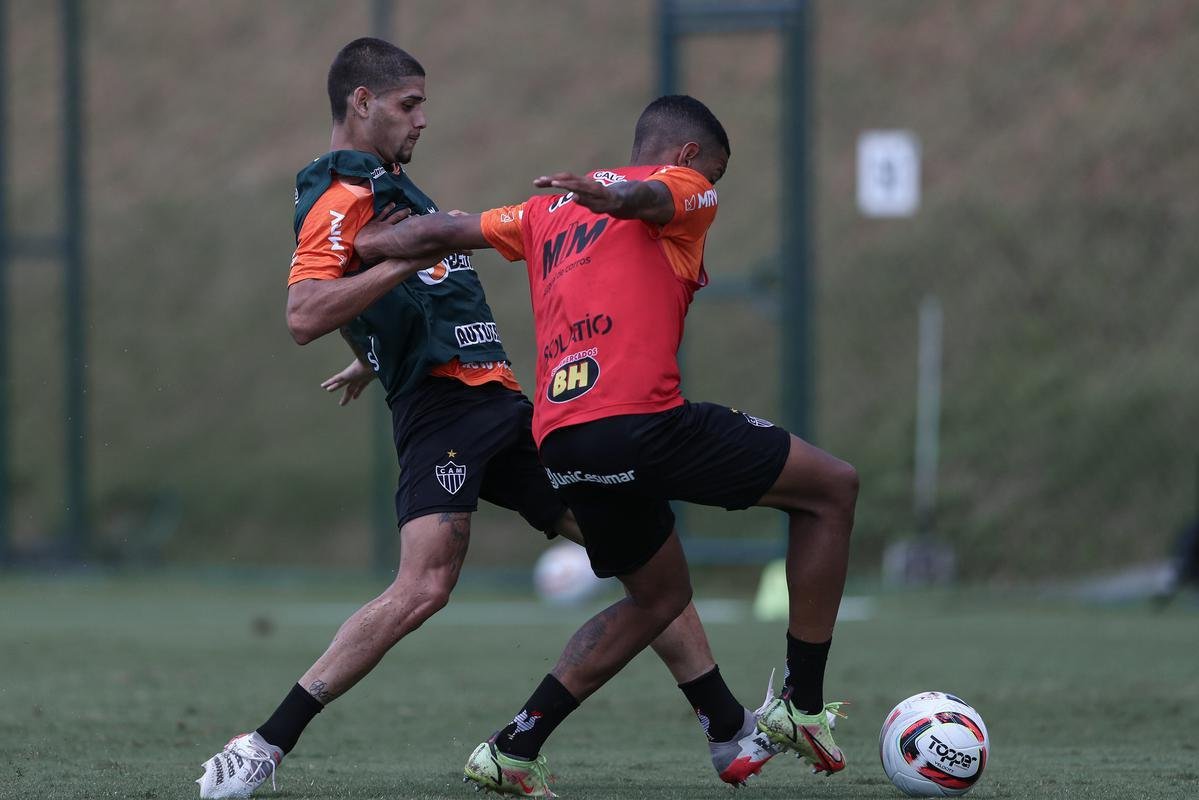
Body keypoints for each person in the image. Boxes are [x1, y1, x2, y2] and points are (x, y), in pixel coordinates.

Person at [195, 40, 779, 800]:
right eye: (409, 104)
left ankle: (728, 730)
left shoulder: (390, 186)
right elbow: (305, 311)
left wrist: (372, 354)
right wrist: (408, 265)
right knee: (425, 586)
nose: (422, 119)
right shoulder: (339, 192)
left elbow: (400, 291)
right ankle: (263, 745)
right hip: (443, 410)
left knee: (643, 553)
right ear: (361, 103)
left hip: (500, 404)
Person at [358, 94, 860, 797]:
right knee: (831, 488)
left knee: (656, 597)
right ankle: (800, 708)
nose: (708, 190)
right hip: (642, 420)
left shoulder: (540, 214)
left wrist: (367, 244)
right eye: (710, 172)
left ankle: (513, 747)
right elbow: (652, 197)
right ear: (689, 156)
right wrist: (619, 193)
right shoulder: (685, 186)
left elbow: (446, 231)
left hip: (562, 437)